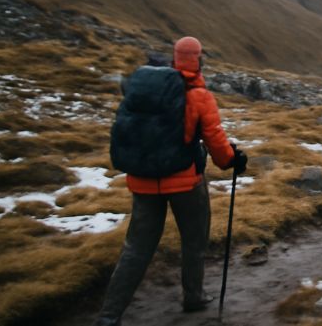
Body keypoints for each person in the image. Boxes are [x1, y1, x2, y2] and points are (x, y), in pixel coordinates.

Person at [95, 36, 248, 326]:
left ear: (175, 58)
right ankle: (193, 296)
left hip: (142, 182)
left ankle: (109, 315)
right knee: (193, 242)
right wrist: (232, 160)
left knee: (136, 249)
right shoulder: (198, 95)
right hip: (186, 182)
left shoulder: (144, 88)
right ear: (198, 59)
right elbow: (215, 141)